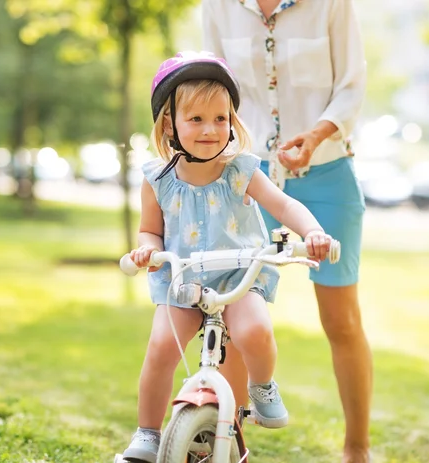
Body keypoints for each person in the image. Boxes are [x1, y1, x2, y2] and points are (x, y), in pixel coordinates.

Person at [121, 51, 334, 463]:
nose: (210, 129)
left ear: (232, 122)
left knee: (253, 332)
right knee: (162, 347)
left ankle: (262, 386)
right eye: (196, 119)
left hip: (239, 276)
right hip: (183, 279)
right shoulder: (157, 180)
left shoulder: (240, 169)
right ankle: (148, 432)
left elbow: (285, 206)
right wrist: (147, 248)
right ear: (169, 125)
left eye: (220, 118)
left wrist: (313, 233)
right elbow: (151, 228)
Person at [202, 1, 372, 462]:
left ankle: (357, 448)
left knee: (341, 320)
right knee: (235, 317)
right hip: (247, 177)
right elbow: (211, 90)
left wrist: (314, 137)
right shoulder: (217, 7)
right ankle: (228, 446)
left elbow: (351, 87)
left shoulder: (332, 5)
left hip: (327, 172)